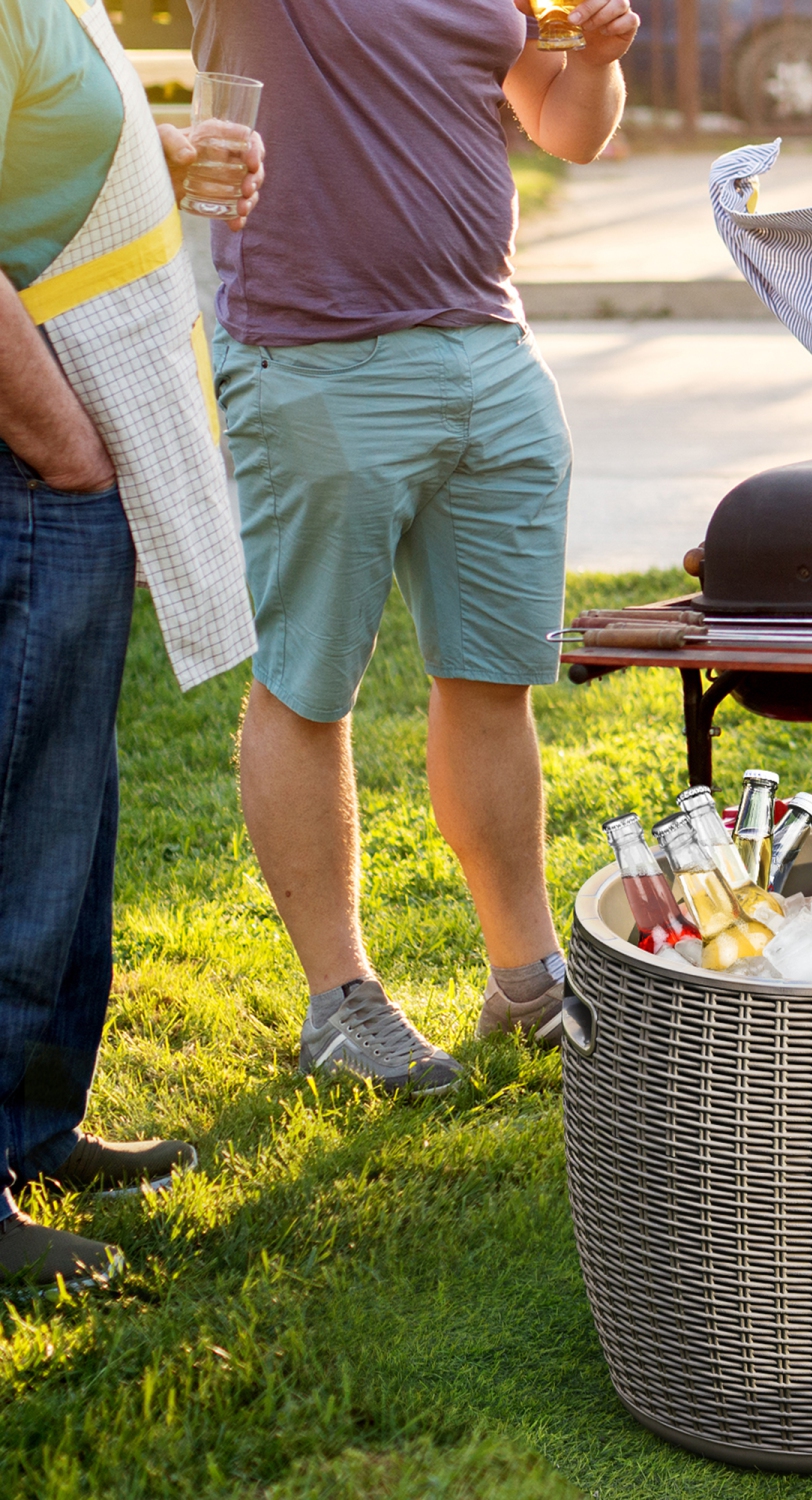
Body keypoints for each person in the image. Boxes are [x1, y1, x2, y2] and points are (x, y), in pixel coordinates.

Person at [191, 0, 638, 1092]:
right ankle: (341, 1003)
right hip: (313, 355)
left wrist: (595, 59)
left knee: (494, 677)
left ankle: (526, 979)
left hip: (488, 346)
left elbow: (566, 125)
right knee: (308, 682)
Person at [0, 0, 263, 1286]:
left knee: (68, 805)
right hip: (31, 453)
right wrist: (61, 441)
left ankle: (33, 1125)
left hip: (60, 450)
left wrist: (155, 150)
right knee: (14, 819)